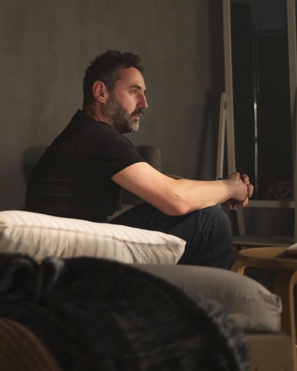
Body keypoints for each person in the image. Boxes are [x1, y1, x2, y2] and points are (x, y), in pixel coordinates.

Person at [25, 51, 253, 269]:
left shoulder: (87, 133)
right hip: (73, 259)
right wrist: (231, 187)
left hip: (80, 248)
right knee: (210, 222)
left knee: (197, 209)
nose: (144, 103)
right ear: (101, 92)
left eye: (144, 93)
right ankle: (204, 297)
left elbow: (160, 183)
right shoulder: (95, 136)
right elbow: (175, 198)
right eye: (134, 91)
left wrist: (217, 189)